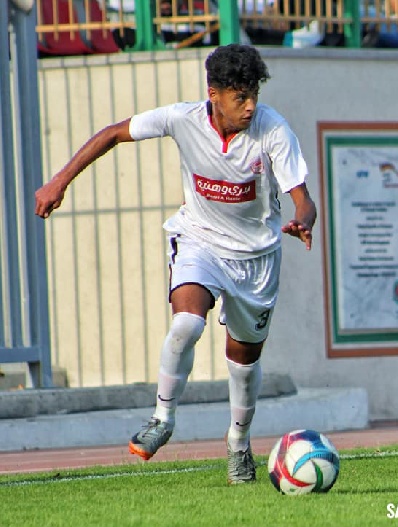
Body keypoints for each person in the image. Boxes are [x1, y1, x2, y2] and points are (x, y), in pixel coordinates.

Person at [34, 44, 317, 484]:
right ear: (214, 94)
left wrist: (302, 220)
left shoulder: (272, 131)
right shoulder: (181, 119)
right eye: (240, 96)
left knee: (242, 360)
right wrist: (59, 180)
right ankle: (162, 419)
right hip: (199, 240)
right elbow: (113, 133)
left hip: (257, 258)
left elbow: (302, 197)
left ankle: (239, 445)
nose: (250, 105)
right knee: (187, 323)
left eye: (254, 95)